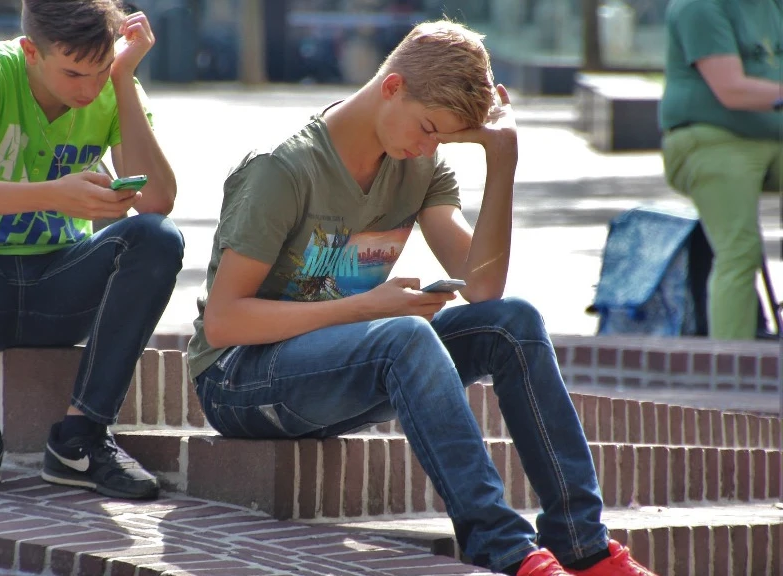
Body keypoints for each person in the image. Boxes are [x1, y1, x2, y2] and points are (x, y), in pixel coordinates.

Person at [186, 19, 657, 576]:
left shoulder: (417, 164)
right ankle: (503, 547)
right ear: (392, 88)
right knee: (402, 335)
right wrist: (366, 307)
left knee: (512, 323)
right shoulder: (282, 169)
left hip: (333, 369)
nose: (429, 146)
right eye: (429, 128)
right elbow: (223, 322)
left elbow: (481, 287)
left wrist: (502, 160)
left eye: (444, 138)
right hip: (238, 380)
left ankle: (583, 543)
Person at [0, 0, 183, 500]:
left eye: (100, 71)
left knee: (158, 237)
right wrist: (51, 194)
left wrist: (122, 79)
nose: (88, 89)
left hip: (59, 293)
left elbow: (157, 200)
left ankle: (83, 439)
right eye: (73, 73)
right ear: (32, 50)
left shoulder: (111, 82)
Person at [660, 0, 783, 341]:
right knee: (740, 249)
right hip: (711, 138)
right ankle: (732, 368)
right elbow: (731, 90)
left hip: (774, 136)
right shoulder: (699, 6)